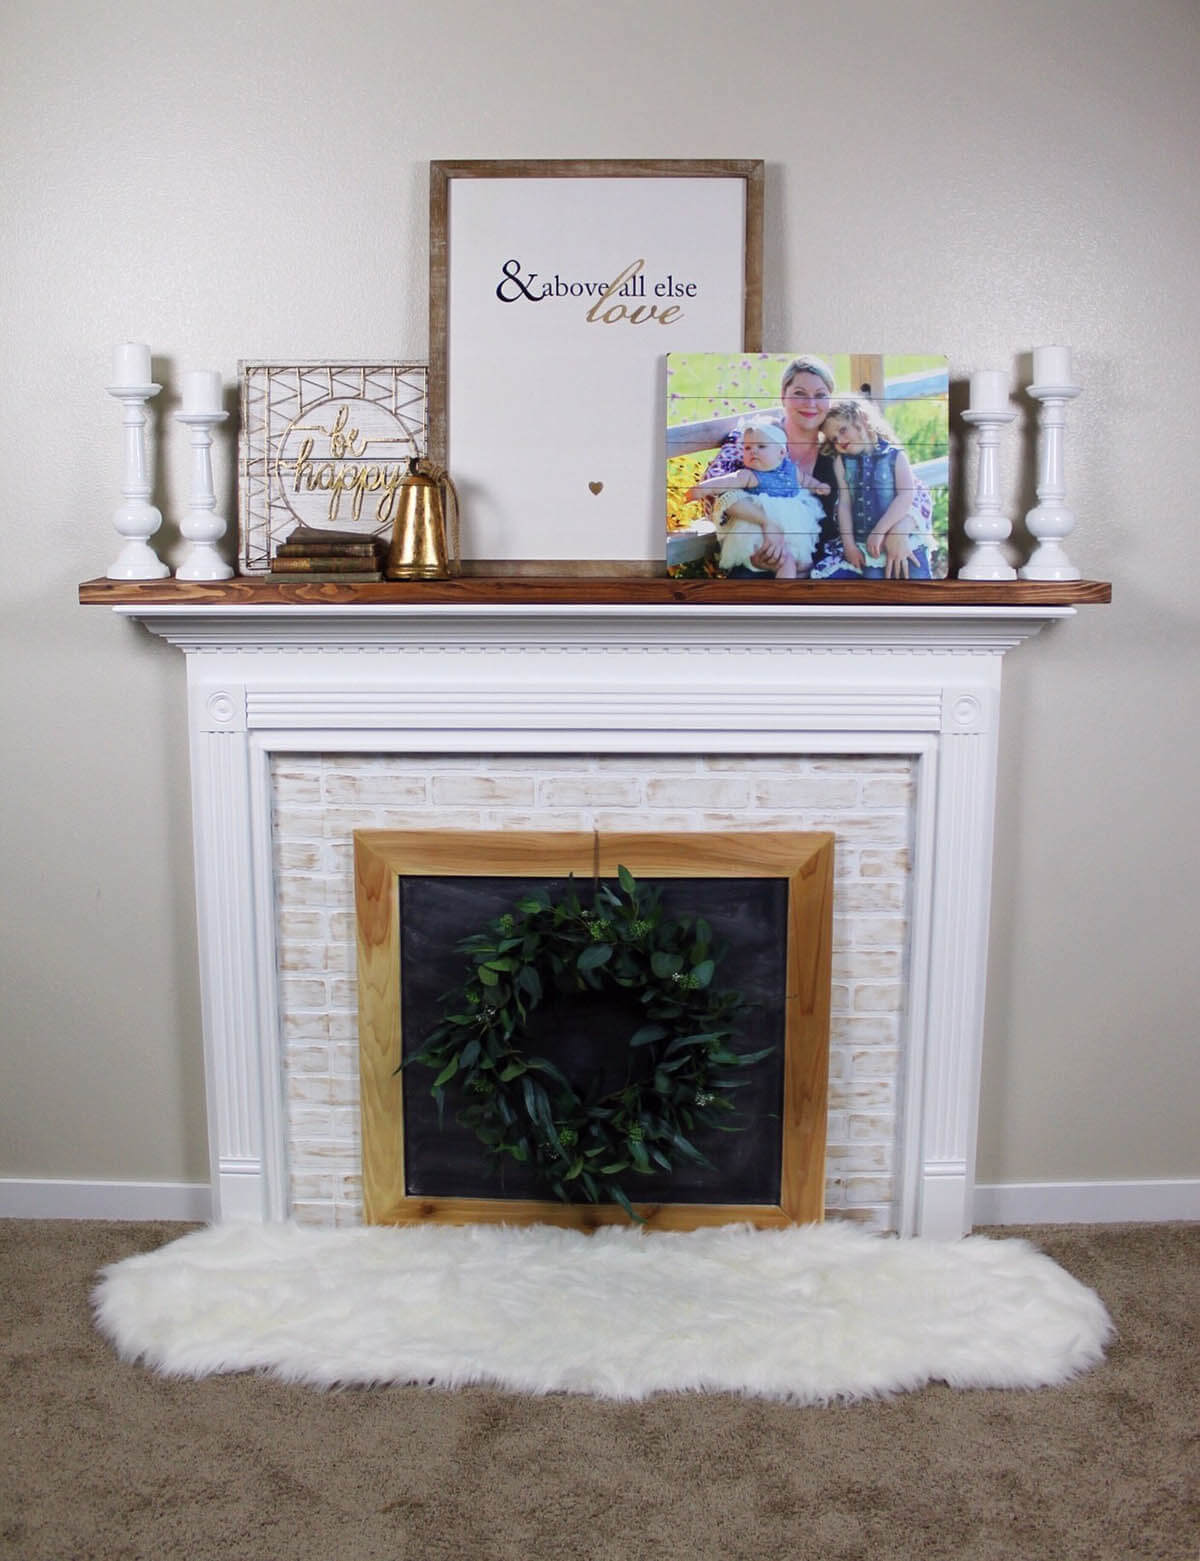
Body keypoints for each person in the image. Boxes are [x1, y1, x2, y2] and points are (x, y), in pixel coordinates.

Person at [667, 355, 919, 579]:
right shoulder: (755, 438)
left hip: (825, 566)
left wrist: (901, 527)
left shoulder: (840, 447)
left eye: (820, 395)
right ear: (783, 396)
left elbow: (914, 493)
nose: (810, 403)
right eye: (799, 393)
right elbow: (715, 497)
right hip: (759, 558)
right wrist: (759, 538)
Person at [684, 419, 826, 577]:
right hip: (757, 533)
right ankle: (786, 594)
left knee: (803, 564)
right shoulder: (749, 475)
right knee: (786, 561)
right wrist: (701, 489)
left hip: (791, 530)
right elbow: (725, 482)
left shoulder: (791, 470)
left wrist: (818, 485)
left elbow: (805, 480)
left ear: (781, 453)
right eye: (747, 448)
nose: (753, 451)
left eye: (761, 446)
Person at [820, 398, 934, 580]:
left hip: (904, 540)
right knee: (875, 590)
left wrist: (879, 531)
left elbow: (906, 495)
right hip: (868, 548)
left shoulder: (894, 455)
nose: (840, 440)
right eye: (834, 439)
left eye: (843, 430)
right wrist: (849, 546)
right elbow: (844, 504)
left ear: (862, 420)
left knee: (918, 582)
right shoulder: (841, 463)